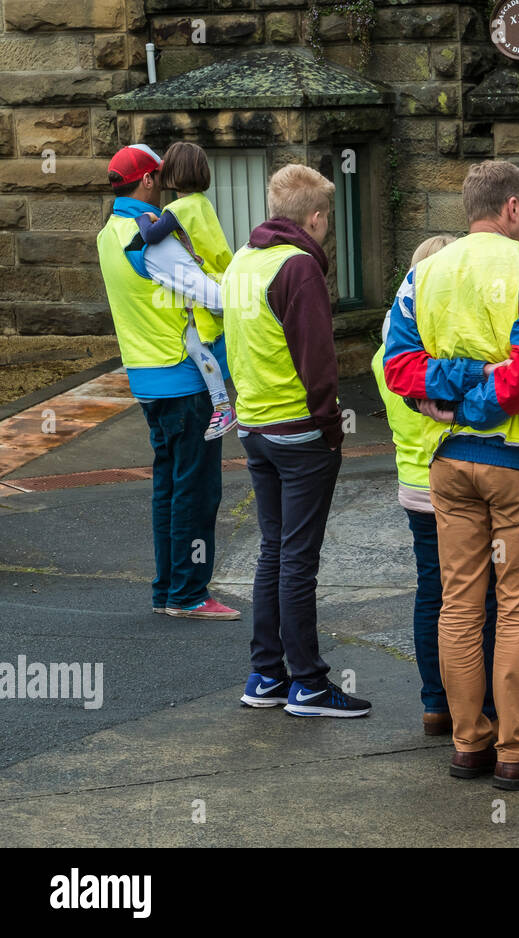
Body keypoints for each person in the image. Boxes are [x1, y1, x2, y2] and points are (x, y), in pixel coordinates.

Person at [383, 160, 519, 789]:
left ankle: (470, 743)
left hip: (447, 463)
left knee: (458, 606)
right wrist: (479, 395)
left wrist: (453, 394)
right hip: (517, 462)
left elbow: (400, 368)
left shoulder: (423, 274)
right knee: (517, 611)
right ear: (513, 207)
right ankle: (517, 752)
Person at [222, 163, 369, 718]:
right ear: (314, 217)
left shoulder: (243, 261)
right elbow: (319, 363)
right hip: (299, 432)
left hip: (255, 426)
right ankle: (308, 684)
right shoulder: (300, 268)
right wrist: (332, 429)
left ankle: (266, 676)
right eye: (326, 217)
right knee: (298, 560)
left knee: (273, 551)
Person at [95, 143, 239, 621]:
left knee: (169, 488)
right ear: (148, 182)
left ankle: (168, 589)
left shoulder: (108, 233)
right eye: (158, 176)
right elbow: (214, 298)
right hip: (184, 381)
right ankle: (190, 594)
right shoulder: (149, 237)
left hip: (146, 379)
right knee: (197, 491)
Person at [370, 235, 499, 736]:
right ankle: (482, 703)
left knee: (432, 593)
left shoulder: (388, 355)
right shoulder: (453, 355)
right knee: (478, 599)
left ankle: (435, 701)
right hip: (461, 483)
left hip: (413, 485)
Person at [135, 142, 237, 441]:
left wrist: (144, 216)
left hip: (206, 285)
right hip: (222, 278)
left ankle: (222, 405)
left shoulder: (177, 208)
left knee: (195, 346)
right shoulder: (202, 202)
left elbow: (151, 236)